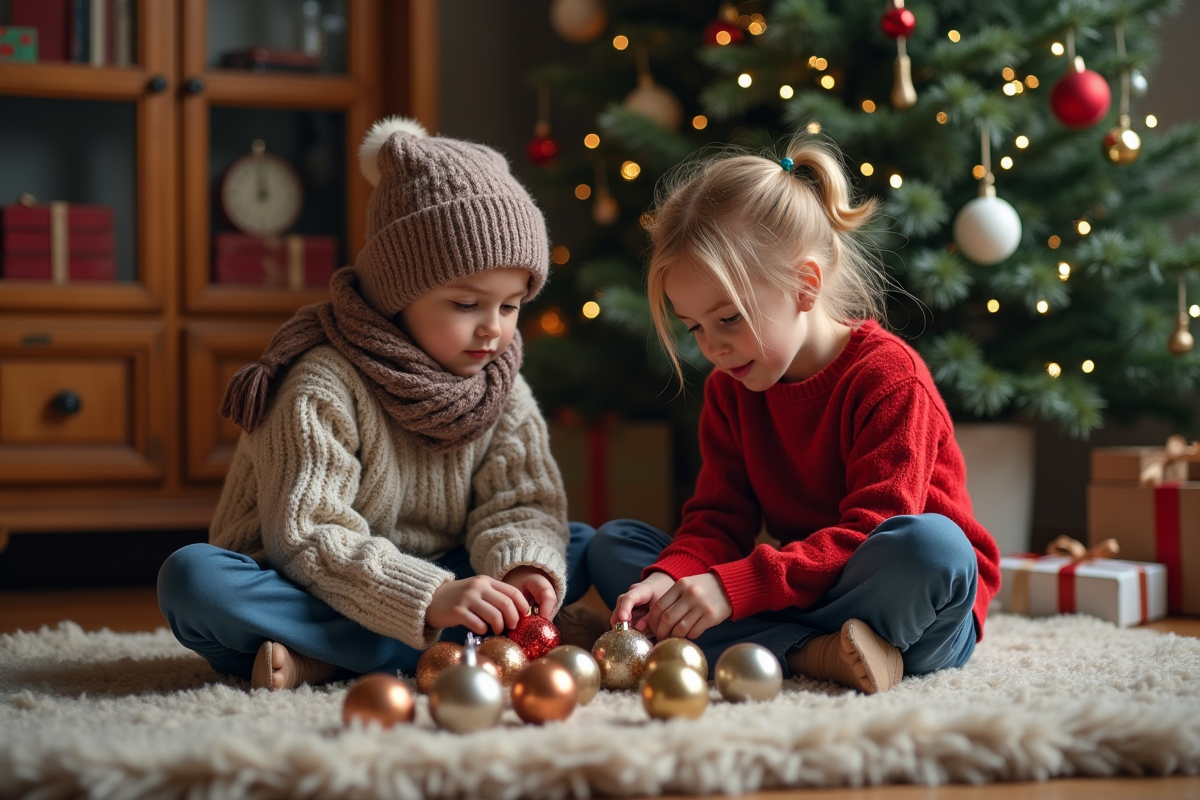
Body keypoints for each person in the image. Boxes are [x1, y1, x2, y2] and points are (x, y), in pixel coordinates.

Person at [157, 117, 590, 691]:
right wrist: (430, 596)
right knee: (194, 581)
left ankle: (328, 659)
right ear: (396, 295)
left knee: (571, 542)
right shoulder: (322, 381)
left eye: (511, 306)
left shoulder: (500, 384)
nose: (494, 329)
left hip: (449, 574)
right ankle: (451, 647)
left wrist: (523, 568)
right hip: (313, 578)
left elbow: (522, 502)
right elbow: (309, 535)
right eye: (466, 303)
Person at [590, 137, 1001, 694]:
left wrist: (733, 589)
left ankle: (770, 640)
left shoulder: (889, 378)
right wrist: (676, 576)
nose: (712, 347)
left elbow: (871, 532)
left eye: (729, 318)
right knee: (615, 547)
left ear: (804, 286)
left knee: (933, 548)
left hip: (902, 601)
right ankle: (814, 651)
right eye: (695, 328)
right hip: (805, 585)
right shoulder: (730, 390)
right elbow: (718, 520)